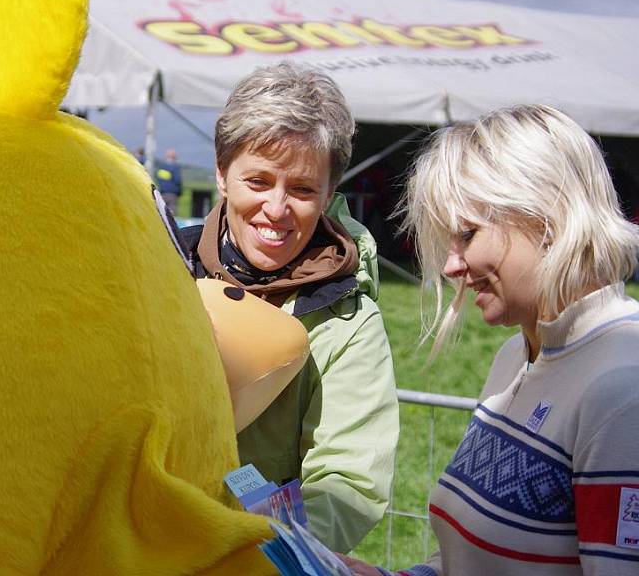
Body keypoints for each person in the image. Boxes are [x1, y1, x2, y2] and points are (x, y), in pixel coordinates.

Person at [344, 105, 639, 575]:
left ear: (546, 215)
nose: (451, 266)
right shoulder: (518, 354)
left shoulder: (622, 393)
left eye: (466, 235)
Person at [181, 62, 399, 553]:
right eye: (258, 181)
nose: (277, 210)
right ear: (221, 175)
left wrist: (255, 557)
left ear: (327, 195)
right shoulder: (159, 268)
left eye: (302, 189)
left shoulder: (348, 320)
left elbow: (348, 484)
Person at [154, 147, 183, 215]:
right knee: (171, 214)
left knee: (161, 213)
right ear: (174, 157)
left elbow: (158, 178)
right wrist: (180, 192)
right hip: (172, 194)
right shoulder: (175, 167)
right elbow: (178, 180)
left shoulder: (161, 167)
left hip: (162, 193)